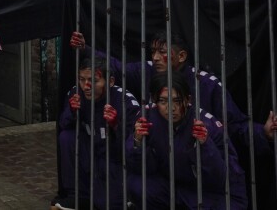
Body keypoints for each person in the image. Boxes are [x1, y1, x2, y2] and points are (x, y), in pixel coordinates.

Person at [70, 30, 276, 159]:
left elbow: (234, 124)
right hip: (158, 161)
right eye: (153, 52)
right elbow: (118, 68)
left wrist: (262, 132)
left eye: (163, 52)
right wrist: (86, 49)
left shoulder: (206, 85)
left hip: (197, 161)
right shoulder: (149, 70)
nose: (156, 57)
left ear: (182, 56)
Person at [127, 72, 247, 208]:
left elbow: (220, 178)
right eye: (163, 101)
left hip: (215, 192)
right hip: (177, 185)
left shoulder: (207, 124)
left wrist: (205, 145)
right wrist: (137, 142)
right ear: (154, 100)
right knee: (138, 185)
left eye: (177, 101)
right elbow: (141, 168)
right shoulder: (147, 117)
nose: (171, 108)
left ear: (188, 100)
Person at [53, 56, 140, 209]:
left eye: (93, 81)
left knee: (104, 203)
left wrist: (115, 125)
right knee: (66, 137)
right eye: (81, 79)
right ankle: (76, 194)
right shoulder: (76, 93)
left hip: (114, 158)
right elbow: (63, 124)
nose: (86, 86)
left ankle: (123, 196)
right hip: (90, 151)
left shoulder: (125, 101)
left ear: (111, 81)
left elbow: (132, 147)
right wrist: (72, 112)